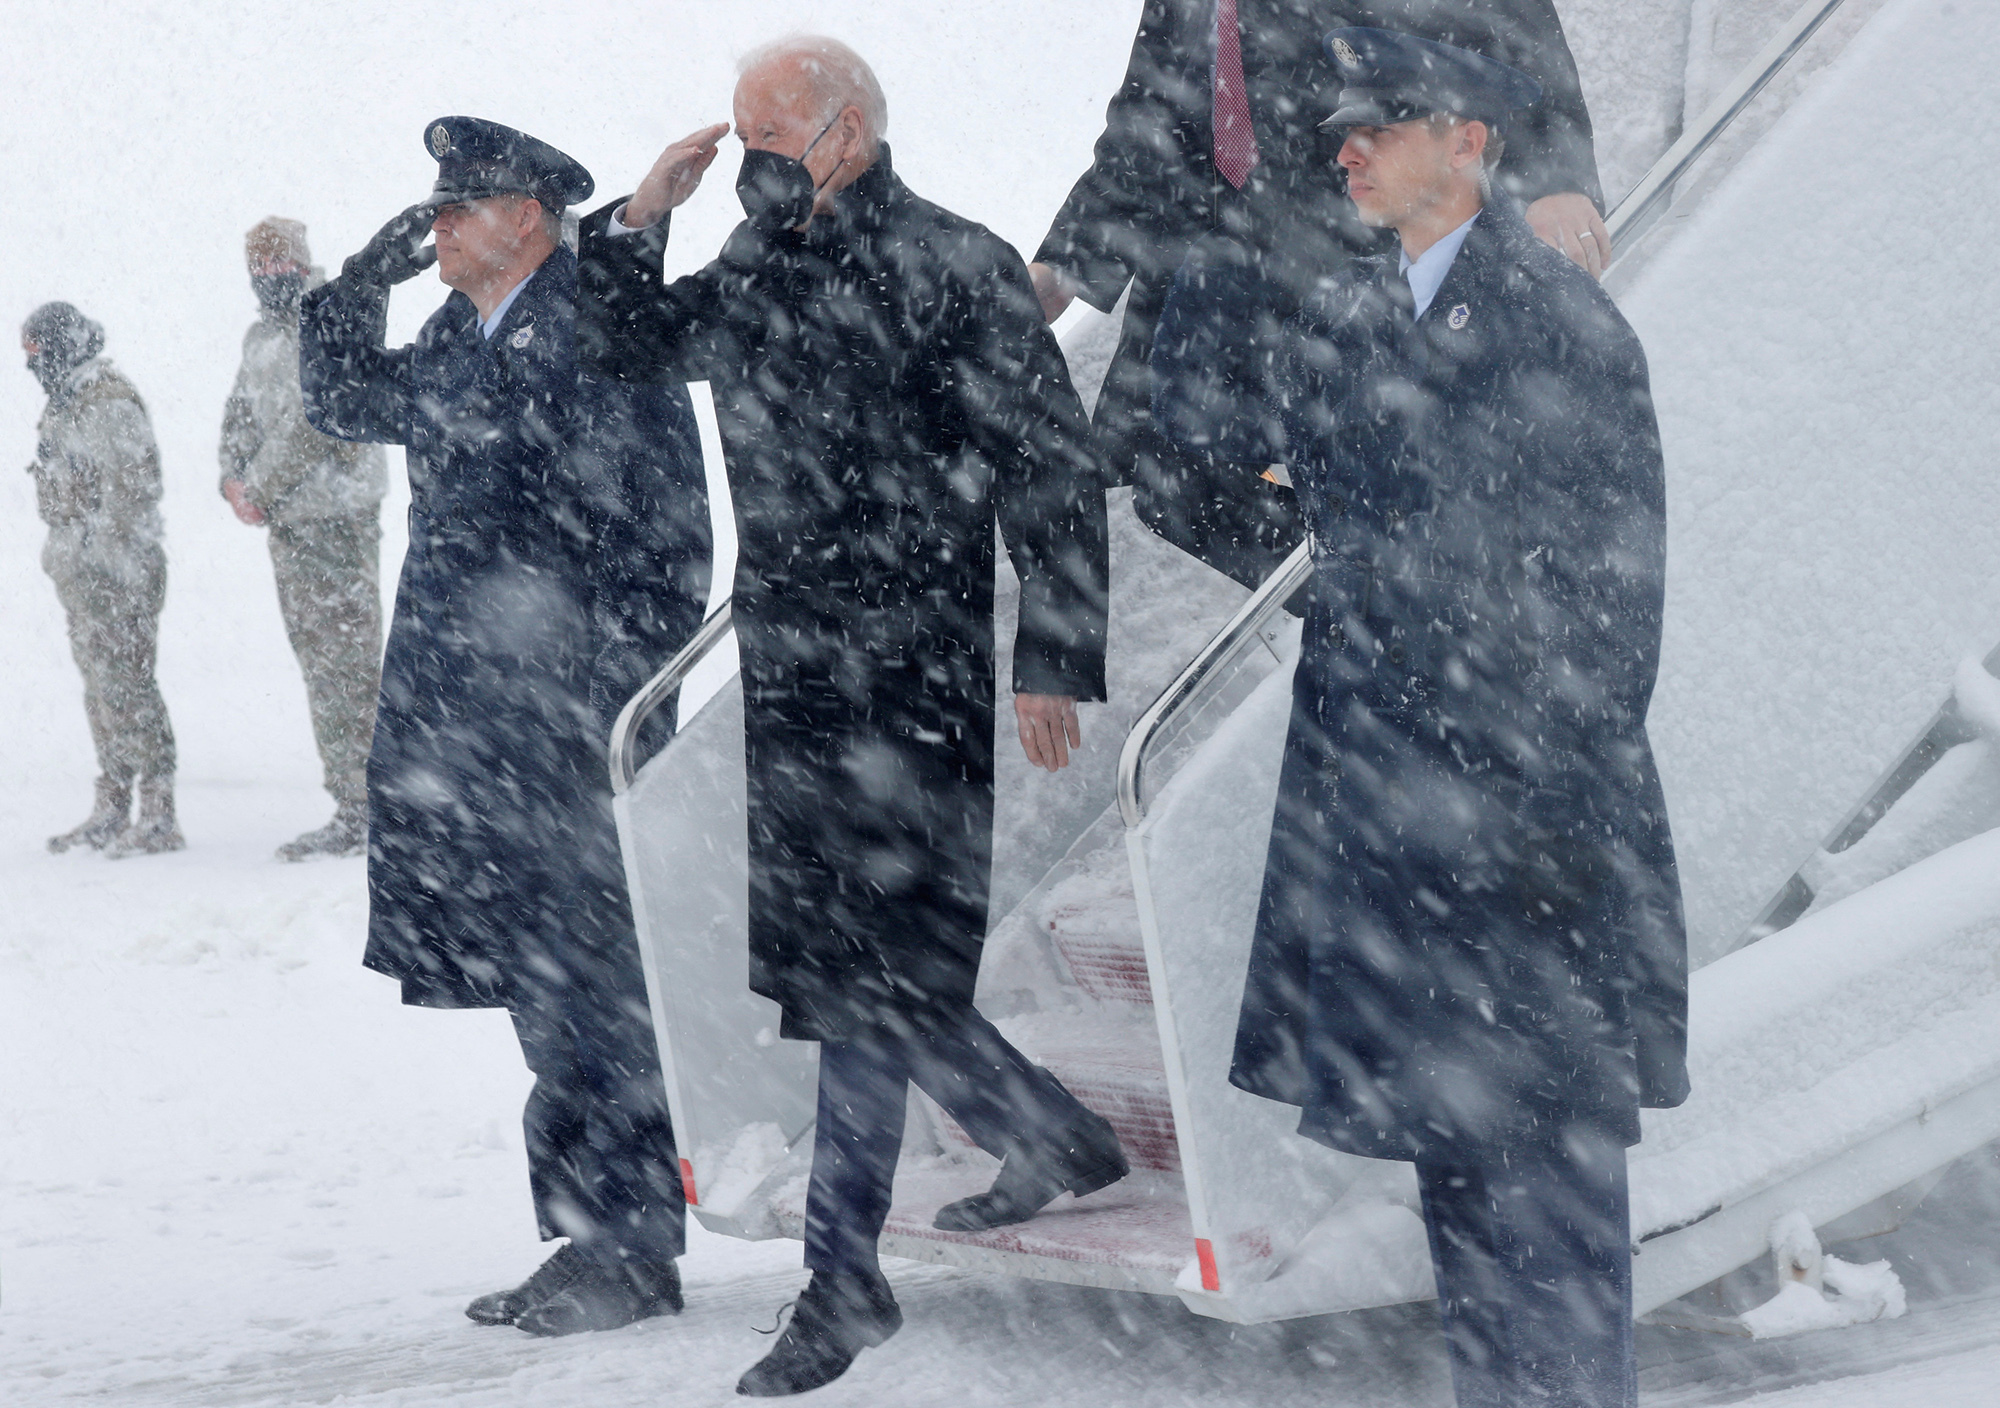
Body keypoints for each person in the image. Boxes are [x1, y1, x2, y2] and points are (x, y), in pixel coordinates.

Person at [577, 36, 1125, 1397]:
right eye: (746, 138)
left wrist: (1052, 652)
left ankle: (844, 1277)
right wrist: (641, 217)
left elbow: (1050, 468)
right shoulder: (760, 266)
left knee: (866, 987)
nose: (758, 160)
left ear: (851, 133)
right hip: (795, 680)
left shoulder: (959, 262)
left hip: (914, 684)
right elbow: (626, 349)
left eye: (778, 136)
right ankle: (1051, 1137)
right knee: (853, 970)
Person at [1158, 30, 1688, 1408]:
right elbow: (1279, 515)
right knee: (1458, 1164)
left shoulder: (1561, 325)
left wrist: (1522, 800)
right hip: (1386, 799)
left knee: (1550, 1170)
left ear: (1471, 141)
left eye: (1383, 123)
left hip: (1523, 823)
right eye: (1339, 128)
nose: (1346, 146)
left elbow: (1613, 607)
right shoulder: (1348, 318)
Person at [299, 118, 711, 1338]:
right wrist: (347, 292)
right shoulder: (449, 332)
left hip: (568, 732)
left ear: (525, 216)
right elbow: (339, 403)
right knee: (546, 998)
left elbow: (664, 541)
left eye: (452, 208)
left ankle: (632, 1251)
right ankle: (584, 1238)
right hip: (475, 726)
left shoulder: (596, 323)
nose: (432, 229)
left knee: (596, 994)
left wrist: (612, 715)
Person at [1030, 0, 1605, 591]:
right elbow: (1151, 111)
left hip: (1366, 234)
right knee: (1172, 475)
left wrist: (1552, 180)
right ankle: (1385, 611)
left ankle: (1440, 604)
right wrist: (1064, 264)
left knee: (1394, 446)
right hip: (1232, 264)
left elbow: (1512, 23)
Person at [220, 217, 389, 861]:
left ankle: (369, 803)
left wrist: (259, 485)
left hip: (335, 518)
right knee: (320, 662)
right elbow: (240, 413)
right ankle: (350, 800)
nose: (268, 277)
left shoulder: (326, 318)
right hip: (291, 524)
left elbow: (313, 418)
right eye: (257, 268)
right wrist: (231, 478)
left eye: (277, 264)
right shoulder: (260, 336)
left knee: (348, 663)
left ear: (301, 262)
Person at [25, 302, 184, 858]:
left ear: (64, 346)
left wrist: (102, 564)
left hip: (118, 574)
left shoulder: (106, 402)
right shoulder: (66, 402)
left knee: (130, 687)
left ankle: (158, 813)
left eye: (39, 353)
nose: (32, 366)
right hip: (84, 575)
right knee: (101, 691)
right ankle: (113, 803)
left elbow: (127, 496)